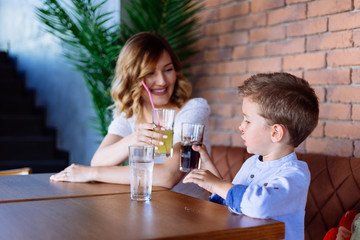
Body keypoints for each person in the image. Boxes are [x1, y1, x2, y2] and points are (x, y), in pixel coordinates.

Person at [50, 32, 211, 199]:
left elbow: (168, 176)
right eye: (150, 73)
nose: (162, 81)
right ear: (132, 78)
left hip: (189, 214)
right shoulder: (130, 116)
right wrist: (135, 138)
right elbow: (98, 161)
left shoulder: (193, 109)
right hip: (150, 210)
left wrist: (91, 173)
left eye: (168, 69)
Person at [183, 72, 319, 239]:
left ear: (275, 132)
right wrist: (208, 167)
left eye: (247, 120)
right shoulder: (251, 163)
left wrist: (215, 184)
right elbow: (234, 203)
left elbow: (260, 205)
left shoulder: (295, 174)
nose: (241, 126)